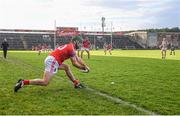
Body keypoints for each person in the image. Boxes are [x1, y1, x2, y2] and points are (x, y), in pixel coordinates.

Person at [14, 40, 90, 92]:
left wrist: (85, 66)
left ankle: (76, 83)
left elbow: (78, 59)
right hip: (53, 61)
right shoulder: (71, 48)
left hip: (53, 60)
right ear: (76, 42)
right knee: (45, 82)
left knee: (66, 67)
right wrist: (83, 68)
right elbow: (74, 63)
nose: (81, 45)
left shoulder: (70, 47)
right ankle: (23, 82)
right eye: (80, 43)